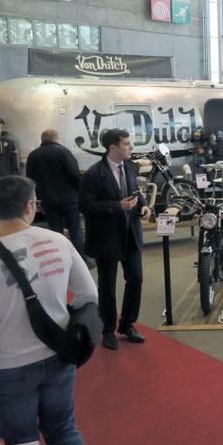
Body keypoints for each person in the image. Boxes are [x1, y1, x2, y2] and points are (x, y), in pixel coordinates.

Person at [0, 176, 98, 445]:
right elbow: (88, 294)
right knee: (64, 430)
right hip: (58, 354)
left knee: (22, 442)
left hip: (6, 368)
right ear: (30, 206)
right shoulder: (57, 240)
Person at [79, 129, 150, 350]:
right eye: (127, 144)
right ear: (113, 148)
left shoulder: (129, 166)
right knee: (107, 286)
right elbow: (86, 206)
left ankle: (127, 324)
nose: (131, 147)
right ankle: (107, 329)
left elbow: (136, 191)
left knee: (136, 280)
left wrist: (144, 204)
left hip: (131, 235)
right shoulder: (93, 174)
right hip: (106, 238)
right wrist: (116, 206)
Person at [25, 129, 87, 261]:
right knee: (75, 230)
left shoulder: (33, 155)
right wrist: (83, 190)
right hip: (69, 200)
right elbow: (73, 175)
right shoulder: (63, 152)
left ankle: (60, 259)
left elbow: (30, 180)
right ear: (55, 138)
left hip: (48, 201)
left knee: (55, 232)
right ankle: (80, 260)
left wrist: (37, 199)